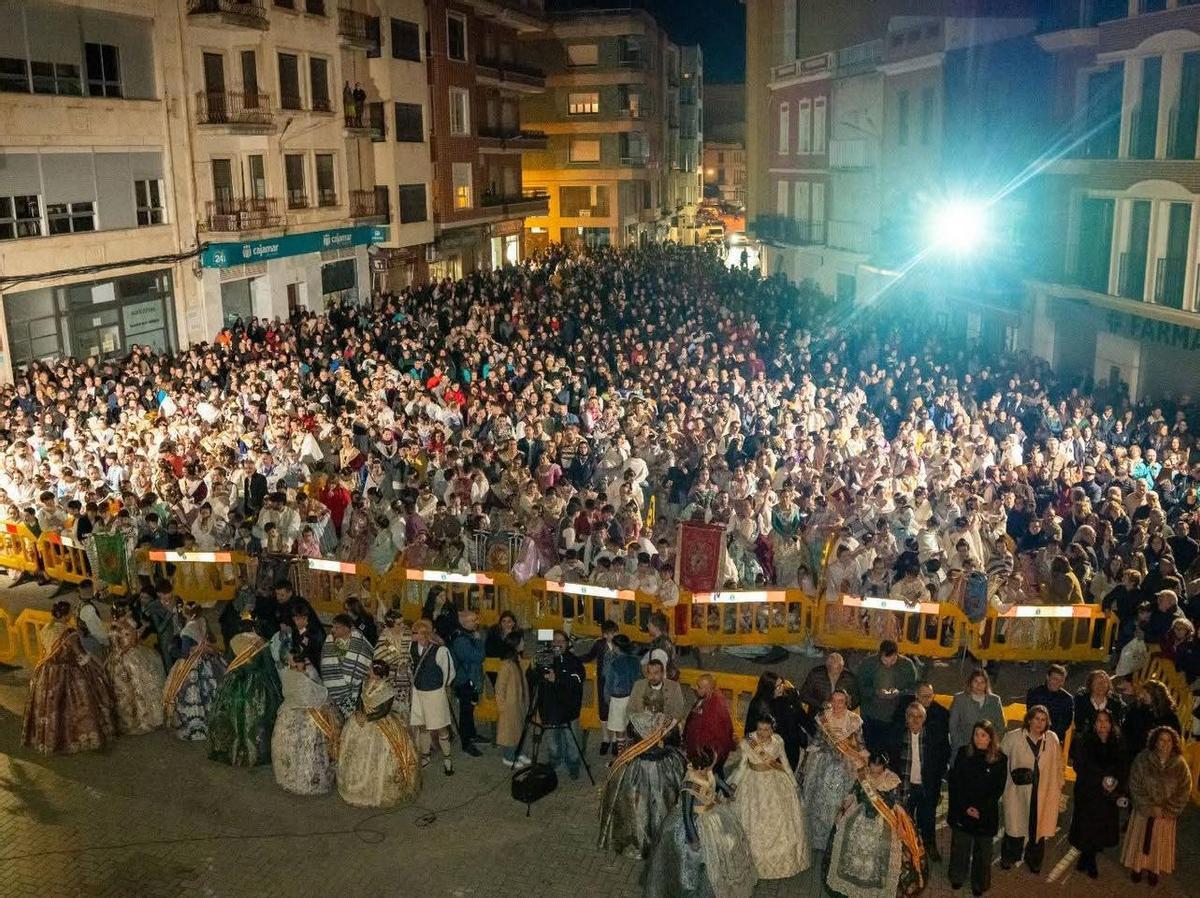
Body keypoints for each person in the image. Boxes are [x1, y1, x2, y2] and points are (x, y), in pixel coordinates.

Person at [641, 746, 757, 898]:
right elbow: (687, 814)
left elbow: (722, 786)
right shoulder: (690, 785)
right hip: (697, 822)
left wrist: (730, 789)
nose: (712, 767)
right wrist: (693, 838)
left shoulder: (708, 772)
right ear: (702, 766)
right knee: (701, 860)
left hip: (713, 813)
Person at [822, 751, 928, 898]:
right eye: (872, 765)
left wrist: (899, 826)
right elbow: (854, 794)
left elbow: (898, 805)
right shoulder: (863, 776)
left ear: (884, 766)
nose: (874, 769)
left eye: (878, 766)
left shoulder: (891, 780)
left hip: (885, 817)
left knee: (885, 844)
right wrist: (844, 807)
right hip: (861, 813)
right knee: (847, 833)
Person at [23, 600, 118, 754]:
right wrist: (97, 666)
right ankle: (77, 738)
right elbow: (80, 655)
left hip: (48, 672)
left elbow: (47, 651)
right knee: (80, 703)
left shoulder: (46, 628)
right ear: (67, 615)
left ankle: (51, 739)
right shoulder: (69, 633)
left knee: (52, 707)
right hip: (68, 672)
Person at [729, 714, 811, 880]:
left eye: (766, 729)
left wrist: (794, 783)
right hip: (752, 783)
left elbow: (786, 763)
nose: (762, 733)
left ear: (772, 729)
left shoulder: (778, 741)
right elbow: (742, 765)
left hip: (775, 781)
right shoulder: (748, 742)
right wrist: (734, 784)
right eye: (759, 729)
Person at [598, 711, 686, 860]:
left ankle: (643, 842)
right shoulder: (671, 760)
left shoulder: (631, 764)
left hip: (642, 781)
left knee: (644, 811)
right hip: (655, 780)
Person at [338, 660, 421, 808]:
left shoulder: (387, 689)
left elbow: (384, 711)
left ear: (377, 673)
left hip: (380, 723)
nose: (368, 671)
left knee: (378, 756)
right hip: (361, 720)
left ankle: (376, 789)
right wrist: (358, 713)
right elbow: (360, 699)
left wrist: (368, 718)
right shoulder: (366, 683)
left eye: (370, 669)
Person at [1121, 725, 1192, 886]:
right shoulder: (1142, 759)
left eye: (1169, 740)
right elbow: (1135, 784)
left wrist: (1168, 810)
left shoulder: (1180, 764)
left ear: (1174, 743)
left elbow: (1184, 789)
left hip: (1165, 815)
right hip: (1143, 812)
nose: (1165, 744)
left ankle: (1154, 869)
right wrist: (1148, 806)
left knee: (1159, 843)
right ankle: (1137, 868)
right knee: (1140, 841)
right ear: (1155, 741)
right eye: (1161, 739)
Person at [207, 621, 283, 767]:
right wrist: (277, 688)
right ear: (254, 629)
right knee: (257, 718)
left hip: (235, 683)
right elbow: (269, 667)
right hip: (258, 686)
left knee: (232, 717)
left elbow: (229, 661)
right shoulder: (262, 644)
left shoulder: (234, 641)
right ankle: (257, 753)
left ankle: (232, 750)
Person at [999, 704, 1063, 873]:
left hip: (1042, 793)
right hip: (1016, 791)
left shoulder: (1052, 739)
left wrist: (1058, 790)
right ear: (1028, 719)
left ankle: (1033, 859)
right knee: (1014, 827)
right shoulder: (1012, 738)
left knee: (1038, 828)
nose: (1039, 723)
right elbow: (1000, 763)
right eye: (1036, 719)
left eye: (1043, 720)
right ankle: (1009, 856)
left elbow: (1058, 767)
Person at [947, 721, 1007, 897]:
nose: (979, 739)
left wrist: (980, 808)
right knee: (960, 847)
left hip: (985, 812)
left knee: (983, 851)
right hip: (962, 808)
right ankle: (957, 877)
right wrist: (966, 807)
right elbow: (955, 782)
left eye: (983, 735)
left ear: (991, 738)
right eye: (976, 734)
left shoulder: (1000, 759)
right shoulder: (963, 753)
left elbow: (998, 789)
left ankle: (979, 883)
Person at [803, 688, 867, 850]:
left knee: (839, 802)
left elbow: (861, 744)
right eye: (834, 700)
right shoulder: (824, 718)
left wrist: (863, 764)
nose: (837, 704)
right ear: (830, 701)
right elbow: (817, 741)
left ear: (847, 703)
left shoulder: (854, 720)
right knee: (820, 800)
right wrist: (808, 760)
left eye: (841, 701)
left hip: (845, 766)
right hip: (824, 763)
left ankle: (837, 838)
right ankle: (819, 841)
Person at [271, 648, 340, 795]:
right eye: (291, 665)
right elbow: (287, 691)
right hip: (292, 712)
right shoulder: (290, 672)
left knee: (311, 749)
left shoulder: (311, 673)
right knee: (292, 747)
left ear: (303, 662)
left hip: (311, 715)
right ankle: (292, 776)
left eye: (295, 665)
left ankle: (311, 778)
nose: (292, 668)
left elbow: (317, 692)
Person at [1068, 708, 1126, 879]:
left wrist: (1115, 782)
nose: (1102, 724)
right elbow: (1080, 766)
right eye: (1099, 721)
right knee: (1086, 824)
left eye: (1106, 721)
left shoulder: (1118, 743)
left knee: (1101, 825)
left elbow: (1122, 767)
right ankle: (1088, 856)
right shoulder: (1084, 741)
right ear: (1094, 723)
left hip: (1108, 793)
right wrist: (1100, 778)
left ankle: (1089, 855)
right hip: (1088, 789)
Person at [888, 701, 948, 862]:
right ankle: (904, 850)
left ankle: (929, 846)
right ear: (906, 718)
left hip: (926, 787)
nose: (916, 720)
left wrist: (936, 782)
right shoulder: (897, 735)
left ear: (925, 719)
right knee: (904, 821)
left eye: (920, 717)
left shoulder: (934, 737)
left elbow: (943, 760)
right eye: (912, 716)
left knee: (928, 820)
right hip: (904, 786)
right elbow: (890, 760)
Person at [163, 602, 227, 741]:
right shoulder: (202, 621)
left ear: (190, 614)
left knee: (190, 692)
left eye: (184, 612)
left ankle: (195, 724)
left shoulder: (188, 630)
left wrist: (172, 650)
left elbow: (185, 654)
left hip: (193, 664)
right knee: (210, 689)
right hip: (207, 660)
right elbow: (212, 638)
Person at [104, 600, 165, 735]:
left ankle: (125, 721)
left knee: (121, 691)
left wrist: (118, 653)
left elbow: (113, 644)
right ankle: (144, 719)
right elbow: (132, 642)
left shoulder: (112, 627)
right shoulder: (126, 625)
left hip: (114, 659)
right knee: (141, 686)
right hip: (130, 658)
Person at [535, 629, 585, 780]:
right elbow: (533, 677)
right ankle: (554, 761)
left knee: (572, 740)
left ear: (567, 644)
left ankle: (574, 765)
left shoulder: (574, 661)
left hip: (569, 709)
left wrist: (558, 679)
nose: (557, 644)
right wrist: (535, 667)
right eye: (554, 641)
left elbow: (577, 679)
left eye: (561, 641)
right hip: (549, 709)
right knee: (552, 741)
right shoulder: (544, 657)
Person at [409, 618, 456, 776]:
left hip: (435, 693)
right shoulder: (412, 647)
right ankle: (425, 755)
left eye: (414, 633)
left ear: (423, 634)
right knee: (422, 725)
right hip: (418, 692)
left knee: (440, 725)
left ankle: (447, 758)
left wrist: (440, 687)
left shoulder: (440, 650)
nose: (411, 635)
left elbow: (449, 672)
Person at [856, 640, 918, 750]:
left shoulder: (907, 665)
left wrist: (900, 693)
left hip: (897, 718)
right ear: (880, 654)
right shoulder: (868, 665)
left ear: (897, 654)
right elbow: (859, 687)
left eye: (893, 660)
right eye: (885, 660)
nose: (889, 664)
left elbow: (914, 689)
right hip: (871, 717)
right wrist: (875, 692)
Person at [682, 674, 736, 778]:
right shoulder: (705, 698)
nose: (695, 688)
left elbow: (717, 737)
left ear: (708, 688)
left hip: (708, 753)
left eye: (699, 687)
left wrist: (709, 763)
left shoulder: (716, 705)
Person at [449, 609, 486, 757]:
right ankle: (466, 743)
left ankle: (472, 735)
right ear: (463, 623)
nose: (476, 623)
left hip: (469, 678)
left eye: (476, 619)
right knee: (465, 712)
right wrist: (478, 641)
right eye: (473, 620)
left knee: (469, 710)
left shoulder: (465, 635)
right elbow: (478, 657)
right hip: (464, 681)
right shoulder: (461, 640)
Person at [320, 613, 373, 717]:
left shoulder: (359, 641)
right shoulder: (330, 641)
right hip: (337, 682)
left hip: (356, 685)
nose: (333, 630)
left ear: (346, 628)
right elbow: (326, 662)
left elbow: (365, 659)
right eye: (333, 627)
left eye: (337, 627)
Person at [582, 619, 620, 754]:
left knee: (615, 710)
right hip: (603, 682)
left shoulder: (620, 644)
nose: (613, 636)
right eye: (610, 633)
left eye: (615, 632)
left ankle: (615, 739)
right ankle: (605, 738)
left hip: (617, 683)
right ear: (604, 635)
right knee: (603, 711)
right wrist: (576, 658)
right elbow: (589, 656)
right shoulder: (599, 644)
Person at [948, 669, 1005, 760]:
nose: (979, 685)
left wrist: (991, 744)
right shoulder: (960, 699)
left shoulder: (995, 700)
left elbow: (1001, 727)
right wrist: (960, 745)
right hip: (964, 750)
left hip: (987, 751)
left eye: (982, 682)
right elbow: (953, 726)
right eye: (976, 681)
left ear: (986, 684)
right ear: (970, 682)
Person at [1121, 679, 1180, 762]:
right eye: (1143, 693)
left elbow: (1174, 736)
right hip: (1136, 753)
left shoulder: (1168, 715)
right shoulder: (1136, 710)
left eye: (1146, 693)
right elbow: (1126, 730)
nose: (1142, 696)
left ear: (1155, 695)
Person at [494, 632, 530, 768]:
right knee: (509, 732)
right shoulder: (507, 665)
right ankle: (508, 756)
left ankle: (519, 752)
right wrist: (502, 707)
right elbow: (500, 687)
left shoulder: (517, 661)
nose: (524, 644)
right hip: (510, 705)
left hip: (518, 702)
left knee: (519, 729)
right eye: (521, 642)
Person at [603, 633, 642, 756]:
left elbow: (608, 682)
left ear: (616, 647)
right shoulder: (635, 660)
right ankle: (631, 752)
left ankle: (621, 754)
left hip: (618, 698)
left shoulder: (614, 662)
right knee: (631, 725)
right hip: (633, 696)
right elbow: (640, 678)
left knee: (620, 728)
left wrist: (606, 698)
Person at [1072, 669, 1126, 751]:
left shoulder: (1115, 703)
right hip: (1085, 744)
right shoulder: (1080, 701)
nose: (1101, 685)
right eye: (1097, 683)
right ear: (1090, 684)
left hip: (1109, 744)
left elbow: (1118, 725)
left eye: (1104, 682)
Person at [373, 610, 412, 719]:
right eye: (399, 624)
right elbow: (379, 656)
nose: (403, 625)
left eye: (403, 622)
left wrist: (405, 662)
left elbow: (412, 653)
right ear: (390, 626)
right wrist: (397, 660)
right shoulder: (384, 638)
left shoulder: (408, 634)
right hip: (390, 677)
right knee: (391, 709)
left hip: (406, 677)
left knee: (406, 709)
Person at [628, 657, 688, 725]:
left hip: (665, 724)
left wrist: (665, 719)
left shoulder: (674, 687)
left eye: (656, 673)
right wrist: (641, 719)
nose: (652, 676)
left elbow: (679, 711)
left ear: (662, 673)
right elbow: (630, 709)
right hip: (643, 724)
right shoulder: (638, 685)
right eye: (650, 673)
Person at [1024, 663, 1073, 745]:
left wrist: (1049, 737)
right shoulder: (1034, 693)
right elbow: (1031, 717)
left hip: (1054, 738)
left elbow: (1065, 724)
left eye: (1061, 680)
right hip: (1033, 735)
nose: (1058, 683)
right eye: (1055, 679)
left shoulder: (1067, 699)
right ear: (1047, 677)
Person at [643, 611, 679, 680]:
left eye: (649, 624)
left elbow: (659, 672)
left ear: (656, 627)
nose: (647, 626)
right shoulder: (666, 640)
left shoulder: (660, 646)